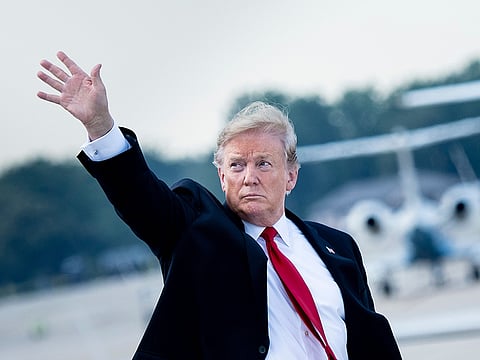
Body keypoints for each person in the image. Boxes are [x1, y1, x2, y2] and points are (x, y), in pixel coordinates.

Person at [37, 51, 402, 360]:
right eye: (237, 165)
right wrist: (100, 125)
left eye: (263, 163)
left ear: (291, 176)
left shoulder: (338, 246)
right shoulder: (197, 232)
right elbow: (141, 199)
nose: (249, 177)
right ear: (222, 177)